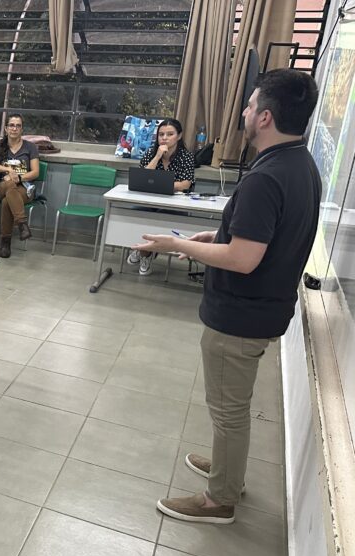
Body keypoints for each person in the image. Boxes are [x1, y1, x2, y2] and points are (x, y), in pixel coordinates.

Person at [134, 69, 320, 524]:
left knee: (229, 410)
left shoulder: (266, 177)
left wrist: (176, 244)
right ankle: (227, 472)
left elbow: (242, 259)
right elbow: (258, 239)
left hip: (240, 316)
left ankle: (220, 499)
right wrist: (216, 233)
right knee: (232, 406)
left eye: (251, 105)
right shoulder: (301, 164)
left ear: (266, 117)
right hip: (263, 311)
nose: (244, 111)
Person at [128, 117, 197, 275]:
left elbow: (185, 184)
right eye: (161, 134)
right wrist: (158, 156)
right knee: (136, 212)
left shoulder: (186, 157)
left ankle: (145, 252)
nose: (164, 138)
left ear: (179, 136)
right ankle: (146, 252)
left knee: (159, 217)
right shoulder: (151, 153)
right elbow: (142, 177)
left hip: (176, 202)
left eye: (170, 134)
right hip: (151, 200)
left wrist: (158, 184)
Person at [0, 113, 40, 257]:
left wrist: (19, 178)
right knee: (8, 185)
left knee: (6, 202)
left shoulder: (30, 148)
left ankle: (5, 243)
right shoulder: (0, 146)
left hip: (24, 187)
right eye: (11, 125)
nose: (14, 128)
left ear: (22, 129)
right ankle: (22, 224)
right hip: (2, 186)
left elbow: (35, 173)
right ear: (6, 128)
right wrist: (8, 170)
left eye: (18, 126)